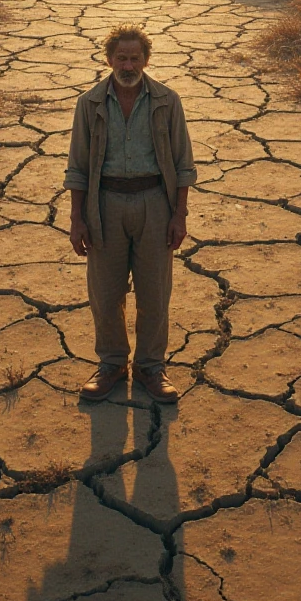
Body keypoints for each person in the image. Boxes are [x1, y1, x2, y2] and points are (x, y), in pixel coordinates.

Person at [64, 24, 197, 404]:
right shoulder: (89, 104)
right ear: (109, 60)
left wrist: (179, 215)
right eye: (120, 57)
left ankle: (151, 367)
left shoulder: (167, 101)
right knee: (106, 294)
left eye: (134, 57)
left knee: (154, 294)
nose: (127, 64)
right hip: (104, 206)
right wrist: (77, 219)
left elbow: (183, 163)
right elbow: (77, 167)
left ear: (146, 60)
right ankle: (111, 364)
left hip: (155, 202)